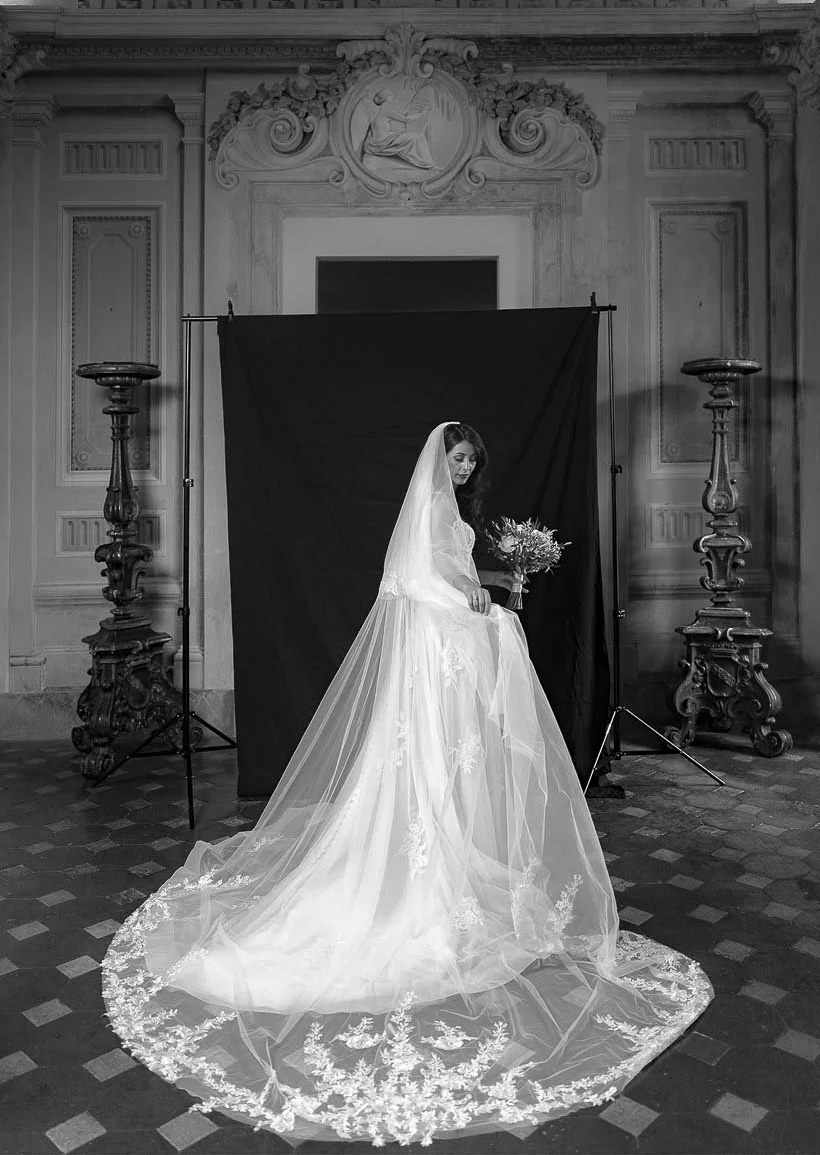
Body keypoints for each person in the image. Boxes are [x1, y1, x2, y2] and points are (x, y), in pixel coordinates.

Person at [103, 421, 712, 1148]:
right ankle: (420, 885)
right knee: (425, 770)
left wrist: (491, 589)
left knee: (450, 771)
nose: (461, 469)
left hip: (447, 650)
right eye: (455, 458)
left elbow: (448, 581)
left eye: (470, 462)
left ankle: (452, 866)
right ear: (437, 459)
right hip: (433, 655)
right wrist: (482, 604)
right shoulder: (427, 513)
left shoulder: (454, 515)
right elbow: (414, 584)